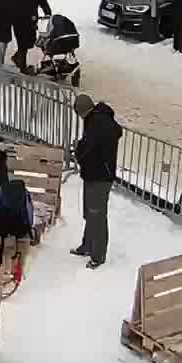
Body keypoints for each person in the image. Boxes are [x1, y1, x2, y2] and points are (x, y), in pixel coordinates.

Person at [68, 94, 120, 269]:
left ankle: (98, 255)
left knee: (96, 215)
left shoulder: (97, 123)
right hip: (94, 174)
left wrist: (78, 150)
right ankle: (88, 245)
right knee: (90, 212)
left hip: (99, 176)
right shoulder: (97, 120)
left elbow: (91, 149)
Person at [10, 0, 52, 69]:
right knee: (23, 44)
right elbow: (19, 7)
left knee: (30, 42)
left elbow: (42, 0)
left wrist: (48, 12)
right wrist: (30, 15)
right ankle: (22, 66)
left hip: (31, 21)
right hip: (19, 21)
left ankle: (16, 57)